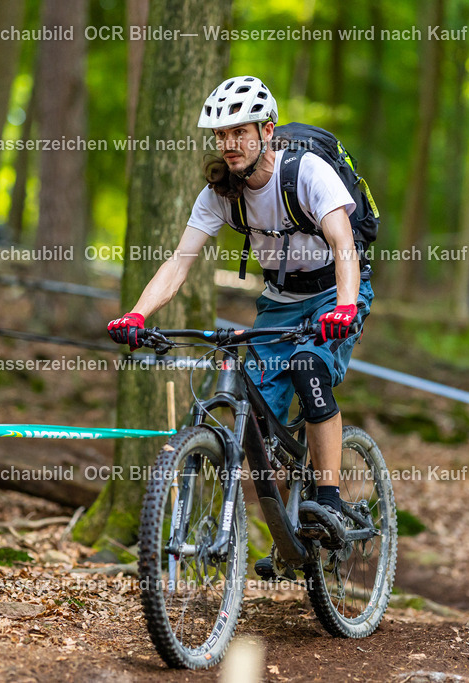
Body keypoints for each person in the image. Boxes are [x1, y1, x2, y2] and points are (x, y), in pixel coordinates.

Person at [107, 75, 374, 568]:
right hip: (277, 301)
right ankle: (290, 526)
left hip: (334, 294)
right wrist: (138, 314)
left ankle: (330, 499)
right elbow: (179, 262)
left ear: (266, 130)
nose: (229, 144)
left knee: (308, 370)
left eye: (239, 132)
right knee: (256, 422)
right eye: (220, 135)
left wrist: (345, 306)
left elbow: (344, 244)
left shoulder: (307, 172)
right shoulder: (220, 194)